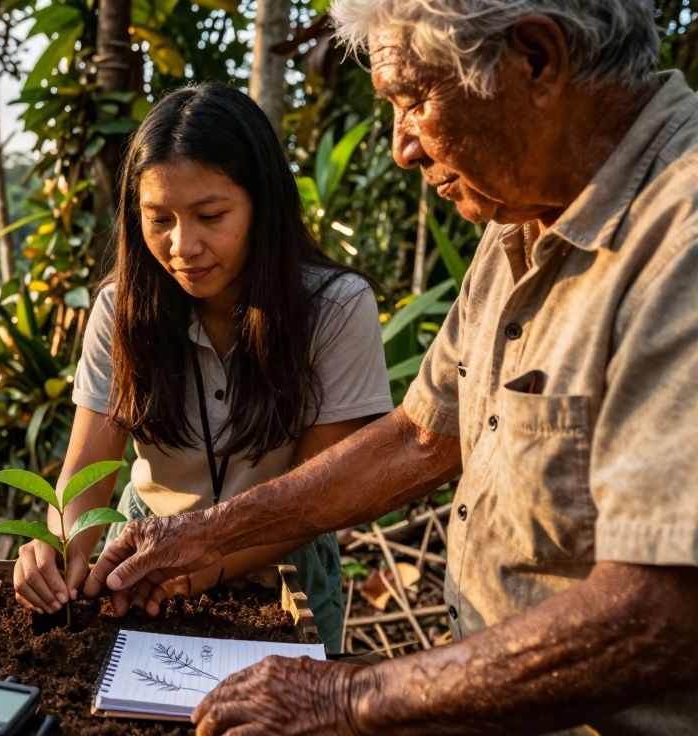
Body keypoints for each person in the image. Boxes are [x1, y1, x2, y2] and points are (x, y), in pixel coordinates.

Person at [83, 0, 698, 733]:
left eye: (413, 98)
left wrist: (349, 696)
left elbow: (664, 612)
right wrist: (206, 535)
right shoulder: (520, 224)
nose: (403, 145)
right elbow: (421, 438)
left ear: (535, 60)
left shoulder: (679, 243)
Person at [10, 82, 395, 652]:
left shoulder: (335, 309)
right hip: (138, 566)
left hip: (280, 564)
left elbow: (316, 494)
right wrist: (59, 547)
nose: (183, 245)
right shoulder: (121, 310)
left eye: (210, 215)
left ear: (263, 205)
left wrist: (196, 564)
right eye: (158, 219)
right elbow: (88, 469)